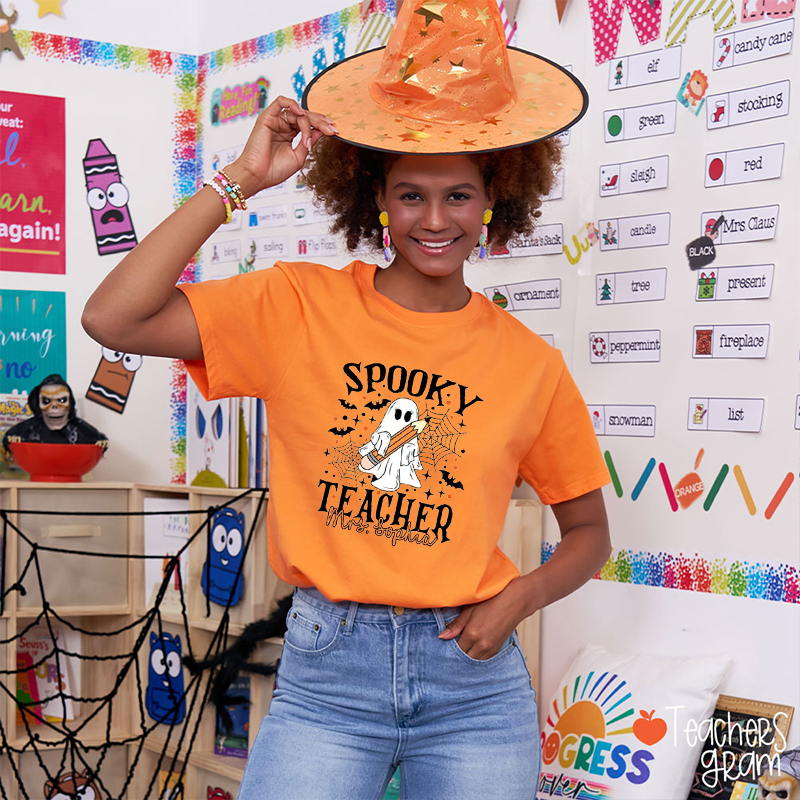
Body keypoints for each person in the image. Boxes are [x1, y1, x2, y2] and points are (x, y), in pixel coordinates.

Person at [82, 1, 611, 797]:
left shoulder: (530, 364)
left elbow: (590, 535)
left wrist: (519, 600)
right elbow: (112, 317)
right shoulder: (298, 305)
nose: (436, 220)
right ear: (378, 198)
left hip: (474, 682)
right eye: (411, 195)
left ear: (494, 198)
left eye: (459, 195)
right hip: (330, 671)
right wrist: (239, 181)